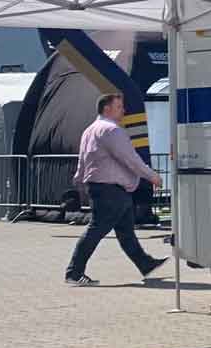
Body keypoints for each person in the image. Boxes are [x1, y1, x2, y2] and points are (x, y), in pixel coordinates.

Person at [64, 93, 166, 286]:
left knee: (125, 231)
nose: (123, 110)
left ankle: (145, 263)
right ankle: (74, 272)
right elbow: (130, 158)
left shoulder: (90, 130)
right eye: (119, 107)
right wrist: (152, 176)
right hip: (111, 189)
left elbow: (83, 159)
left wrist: (79, 179)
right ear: (107, 109)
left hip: (104, 188)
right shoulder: (112, 130)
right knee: (96, 230)